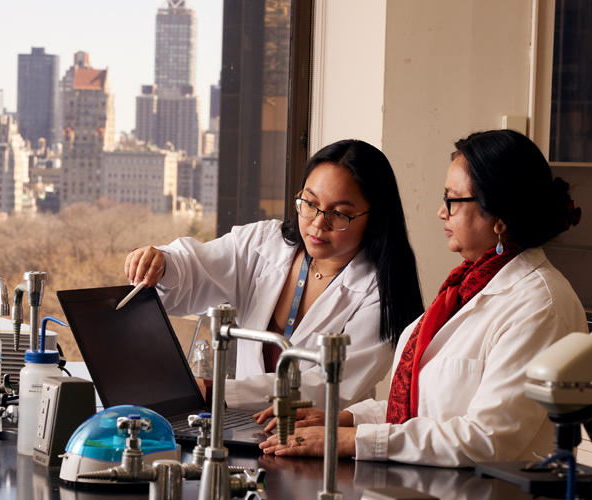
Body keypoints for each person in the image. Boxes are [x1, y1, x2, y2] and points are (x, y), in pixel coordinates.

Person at [257, 129, 587, 467]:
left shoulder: (540, 306)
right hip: (435, 494)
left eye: (453, 200)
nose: (442, 212)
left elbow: (489, 438)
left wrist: (351, 440)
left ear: (500, 215)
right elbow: (423, 405)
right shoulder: (468, 287)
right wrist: (345, 419)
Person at [124, 139, 425, 412]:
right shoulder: (264, 242)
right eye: (309, 203)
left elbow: (325, 390)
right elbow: (196, 267)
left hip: (316, 450)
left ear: (375, 217)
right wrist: (163, 263)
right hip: (240, 435)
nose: (318, 224)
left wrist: (217, 392)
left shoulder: (383, 291)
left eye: (339, 213)